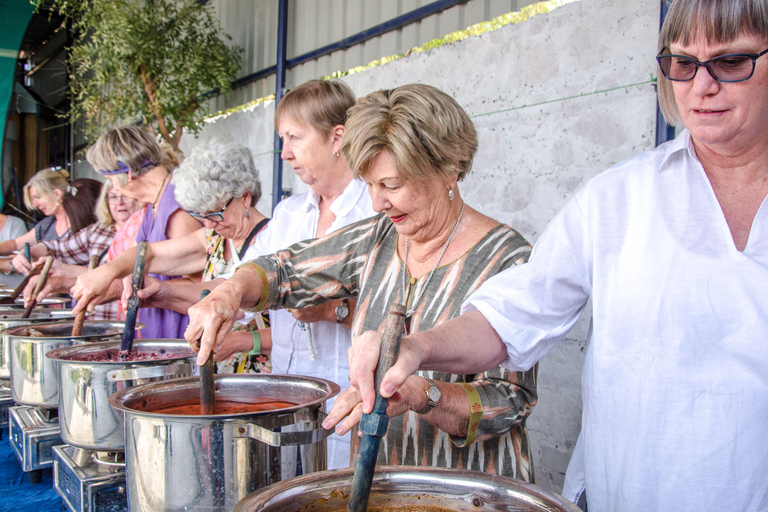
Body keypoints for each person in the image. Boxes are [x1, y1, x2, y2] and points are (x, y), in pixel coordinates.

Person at [334, 1, 768, 511]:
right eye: (683, 63)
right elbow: (512, 317)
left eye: (731, 62)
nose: (702, 85)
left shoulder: (500, 249)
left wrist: (427, 394)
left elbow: (508, 399)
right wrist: (417, 348)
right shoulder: (619, 199)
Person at [184, 84, 538, 481]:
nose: (376, 202)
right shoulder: (378, 237)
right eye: (369, 184)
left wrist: (422, 394)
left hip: (467, 490)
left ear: (449, 168)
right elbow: (285, 269)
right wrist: (230, 292)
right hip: (378, 482)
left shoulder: (508, 258)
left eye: (391, 185)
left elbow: (511, 401)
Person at [72, 140, 271, 371]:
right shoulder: (213, 237)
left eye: (215, 213)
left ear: (245, 197)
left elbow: (292, 330)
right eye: (200, 215)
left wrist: (241, 341)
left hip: (260, 376)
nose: (208, 223)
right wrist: (114, 274)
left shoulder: (274, 240)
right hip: (218, 374)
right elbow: (152, 255)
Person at [80, 125, 200, 338]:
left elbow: (199, 286)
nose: (115, 189)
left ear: (127, 175)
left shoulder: (177, 207)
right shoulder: (153, 206)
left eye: (111, 181)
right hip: (156, 333)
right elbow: (135, 264)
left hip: (181, 337)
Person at [18, 180, 144, 320]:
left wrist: (64, 274)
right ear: (106, 201)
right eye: (113, 197)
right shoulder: (97, 231)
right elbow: (58, 248)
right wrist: (29, 253)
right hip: (94, 321)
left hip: (135, 321)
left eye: (125, 196)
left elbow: (134, 279)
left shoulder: (146, 233)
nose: (119, 202)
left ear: (137, 197)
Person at [0, 169, 101, 273]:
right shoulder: (47, 224)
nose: (35, 205)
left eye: (38, 197)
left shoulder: (84, 226)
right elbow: (16, 244)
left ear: (57, 194)